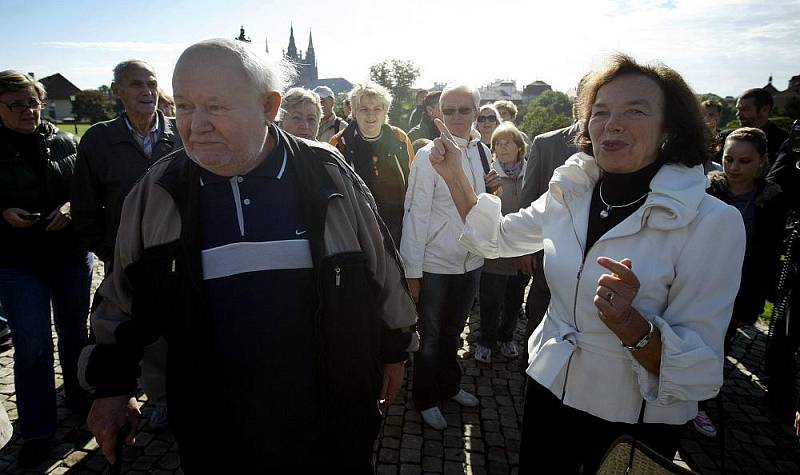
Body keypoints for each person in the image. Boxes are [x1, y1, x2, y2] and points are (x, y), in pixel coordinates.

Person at [78, 38, 417, 473]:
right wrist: (110, 386)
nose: (195, 125)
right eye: (182, 106)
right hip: (214, 425)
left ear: (269, 107)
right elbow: (121, 298)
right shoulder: (158, 190)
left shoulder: (326, 173)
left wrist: (393, 348)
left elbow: (381, 269)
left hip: (329, 419)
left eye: (215, 107)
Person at [426, 54, 746, 473]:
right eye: (600, 111)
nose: (612, 123)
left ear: (670, 127)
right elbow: (497, 238)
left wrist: (631, 325)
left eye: (635, 110)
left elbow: (699, 367)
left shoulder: (710, 222)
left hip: (630, 417)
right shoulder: (572, 191)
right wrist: (453, 175)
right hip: (549, 387)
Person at [71, 60, 180, 431]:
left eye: (151, 83)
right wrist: (109, 251)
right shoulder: (98, 140)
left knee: (181, 327)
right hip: (126, 260)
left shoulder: (180, 135)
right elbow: (84, 205)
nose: (147, 91)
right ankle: (159, 398)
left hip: (177, 256)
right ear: (116, 91)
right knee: (138, 328)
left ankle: (187, 392)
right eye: (136, 85)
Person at [0, 70, 93, 467]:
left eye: (33, 102)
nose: (28, 110)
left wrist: (72, 208)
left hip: (69, 255)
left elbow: (85, 193)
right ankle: (39, 428)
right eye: (16, 104)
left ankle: (78, 397)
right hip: (18, 262)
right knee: (34, 345)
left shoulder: (65, 140)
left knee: (75, 333)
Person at [400, 83, 499, 431]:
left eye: (464, 110)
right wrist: (412, 271)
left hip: (470, 262)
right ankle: (425, 397)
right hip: (435, 264)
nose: (457, 117)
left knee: (454, 332)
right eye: (450, 110)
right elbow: (415, 213)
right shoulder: (432, 155)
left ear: (476, 110)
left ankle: (449, 385)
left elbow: (477, 205)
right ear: (438, 114)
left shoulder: (482, 150)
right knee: (430, 337)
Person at [692, 127, 788, 437]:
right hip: (696, 281)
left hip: (737, 290)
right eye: (728, 159)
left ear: (762, 162)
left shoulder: (771, 200)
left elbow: (767, 254)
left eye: (744, 161)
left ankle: (700, 403)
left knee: (716, 348)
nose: (734, 168)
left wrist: (750, 300)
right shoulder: (708, 189)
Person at [330, 82, 414, 245]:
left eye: (377, 109)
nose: (371, 115)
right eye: (364, 109)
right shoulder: (339, 143)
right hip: (358, 230)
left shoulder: (399, 138)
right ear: (354, 112)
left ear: (385, 112)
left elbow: (413, 181)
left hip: (398, 227)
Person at [474, 123, 528, 364]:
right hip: (495, 250)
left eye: (507, 142)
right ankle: (485, 341)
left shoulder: (531, 172)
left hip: (522, 250)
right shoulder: (488, 174)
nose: (502, 147)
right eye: (497, 143)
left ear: (519, 147)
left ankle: (507, 336)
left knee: (515, 299)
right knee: (490, 300)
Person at [734, 88, 789, 165]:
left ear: (765, 110)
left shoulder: (784, 141)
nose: (738, 114)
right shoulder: (728, 137)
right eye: (738, 109)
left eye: (745, 109)